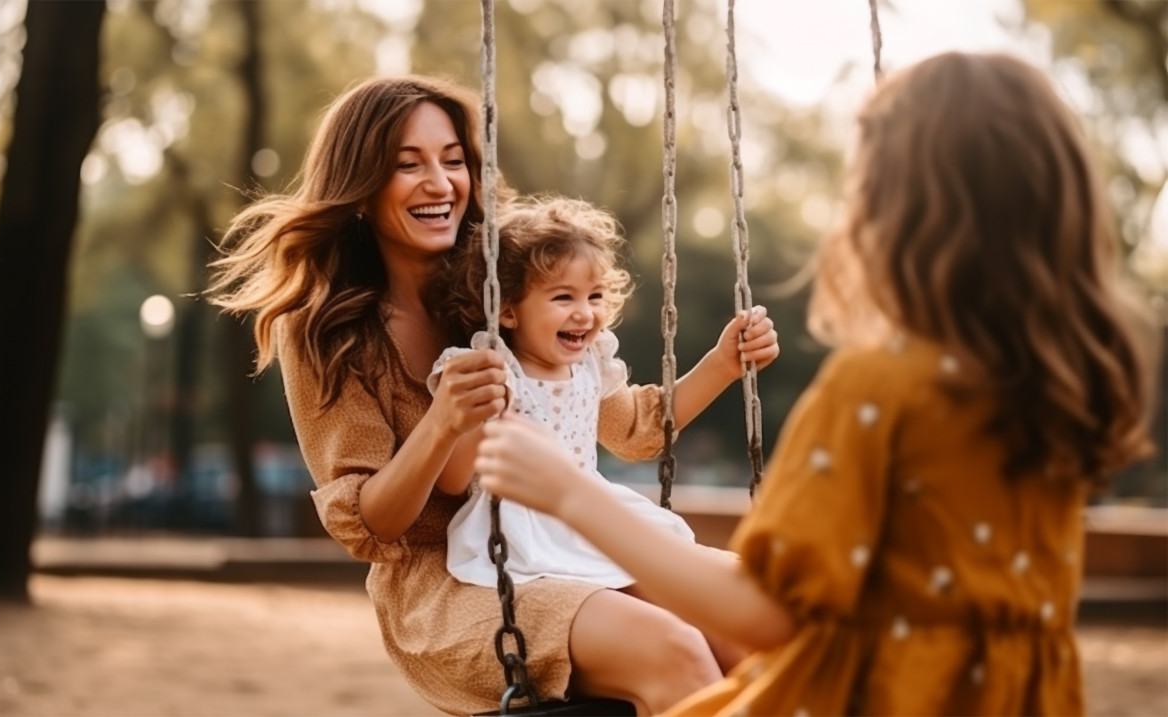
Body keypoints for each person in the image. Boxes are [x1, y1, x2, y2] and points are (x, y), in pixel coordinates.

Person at [473, 51, 1155, 716]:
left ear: (889, 210)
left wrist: (570, 495)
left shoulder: (879, 388)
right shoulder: (1058, 391)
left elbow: (769, 612)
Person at [207, 75, 782, 716]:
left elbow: (632, 427)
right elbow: (372, 528)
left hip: (571, 542)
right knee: (672, 650)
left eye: (453, 160)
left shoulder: (513, 287)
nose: (440, 183)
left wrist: (723, 365)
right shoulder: (329, 331)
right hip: (454, 579)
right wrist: (443, 424)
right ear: (361, 187)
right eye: (408, 164)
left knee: (754, 632)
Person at [426, 193, 776, 617]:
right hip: (528, 531)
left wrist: (723, 364)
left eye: (594, 296)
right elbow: (451, 481)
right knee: (678, 601)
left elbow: (643, 428)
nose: (584, 314)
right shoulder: (490, 371)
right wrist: (471, 417)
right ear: (508, 311)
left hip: (593, 513)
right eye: (563, 298)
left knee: (732, 582)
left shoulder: (591, 364)